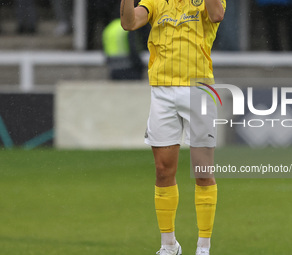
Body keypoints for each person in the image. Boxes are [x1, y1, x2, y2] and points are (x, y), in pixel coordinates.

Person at [120, 0, 225, 254]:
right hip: (162, 90)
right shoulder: (154, 1)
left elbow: (217, 14)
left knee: (202, 171)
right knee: (163, 170)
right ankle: (169, 245)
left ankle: (203, 247)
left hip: (199, 88)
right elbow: (129, 22)